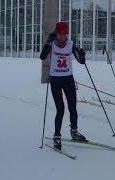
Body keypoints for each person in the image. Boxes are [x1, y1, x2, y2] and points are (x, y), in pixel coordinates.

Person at [40, 21, 87, 150]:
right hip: (55, 79)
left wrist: (82, 54)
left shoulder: (71, 44)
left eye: (64, 34)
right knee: (60, 109)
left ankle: (74, 132)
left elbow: (81, 61)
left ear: (67, 34)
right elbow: (42, 56)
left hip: (68, 79)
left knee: (73, 107)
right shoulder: (52, 44)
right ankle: (57, 136)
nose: (62, 37)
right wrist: (48, 43)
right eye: (59, 34)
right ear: (56, 33)